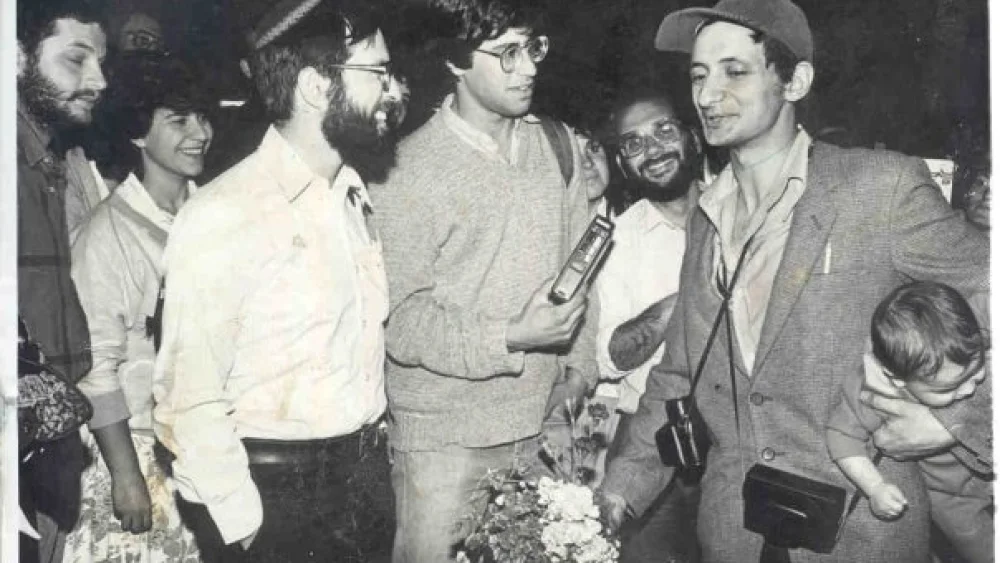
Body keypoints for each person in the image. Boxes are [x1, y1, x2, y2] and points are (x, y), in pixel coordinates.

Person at [598, 0, 990, 561]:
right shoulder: (708, 220)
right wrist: (618, 492)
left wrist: (952, 417)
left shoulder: (877, 189)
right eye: (699, 76)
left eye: (735, 71)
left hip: (863, 531)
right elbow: (679, 374)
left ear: (796, 80)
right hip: (734, 535)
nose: (708, 96)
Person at [151, 1, 405, 560]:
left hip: (361, 488)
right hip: (276, 504)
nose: (393, 91)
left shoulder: (351, 197)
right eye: (378, 73)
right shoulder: (226, 212)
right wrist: (248, 530)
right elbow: (188, 399)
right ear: (317, 86)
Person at [370, 0, 602, 560]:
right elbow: (400, 321)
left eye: (534, 48)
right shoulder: (402, 169)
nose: (529, 68)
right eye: (507, 54)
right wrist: (510, 336)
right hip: (444, 447)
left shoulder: (557, 146)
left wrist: (579, 374)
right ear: (455, 61)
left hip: (546, 431)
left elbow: (584, 270)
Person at [65, 52, 214, 563]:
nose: (200, 132)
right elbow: (96, 370)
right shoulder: (106, 236)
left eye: (202, 116)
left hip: (206, 451)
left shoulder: (215, 216)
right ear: (136, 133)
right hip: (135, 457)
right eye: (179, 120)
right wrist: (128, 478)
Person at [591, 92, 704, 563]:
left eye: (664, 131)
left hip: (739, 435)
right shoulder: (617, 239)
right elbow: (611, 357)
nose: (653, 150)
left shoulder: (741, 208)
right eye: (633, 143)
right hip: (648, 437)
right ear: (622, 161)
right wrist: (694, 295)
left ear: (693, 136)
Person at [16, 2, 107, 561]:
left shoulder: (43, 163)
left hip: (39, 449)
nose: (99, 81)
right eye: (77, 59)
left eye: (102, 62)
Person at [826, 281, 992, 563]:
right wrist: (875, 487)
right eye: (949, 389)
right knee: (982, 549)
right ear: (897, 378)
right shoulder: (869, 389)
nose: (968, 390)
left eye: (976, 372)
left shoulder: (970, 322)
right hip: (952, 494)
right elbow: (841, 437)